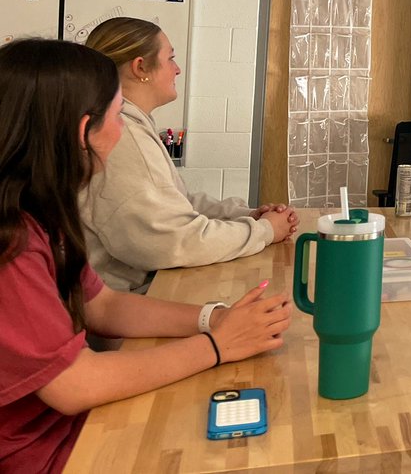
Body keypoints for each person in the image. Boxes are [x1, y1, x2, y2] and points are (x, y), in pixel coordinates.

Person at [0, 39, 291, 473]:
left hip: (69, 425)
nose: (122, 130)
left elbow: (104, 305)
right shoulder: (12, 244)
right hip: (46, 452)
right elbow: (74, 385)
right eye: (118, 116)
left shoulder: (42, 211)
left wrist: (215, 317)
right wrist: (216, 346)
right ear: (83, 132)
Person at [80, 17, 297, 294]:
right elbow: (172, 241)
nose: (177, 69)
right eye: (170, 58)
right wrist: (264, 231)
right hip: (125, 305)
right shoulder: (122, 135)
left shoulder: (134, 125)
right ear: (141, 67)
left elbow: (174, 201)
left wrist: (248, 216)